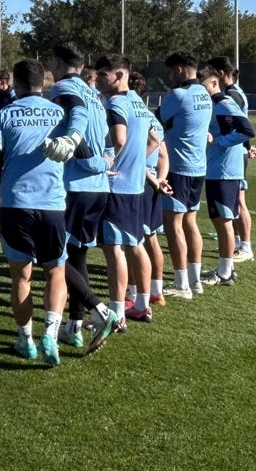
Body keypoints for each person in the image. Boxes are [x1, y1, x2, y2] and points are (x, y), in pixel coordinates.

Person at [0, 59, 118, 366]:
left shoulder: (4, 115)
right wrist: (106, 167)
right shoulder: (61, 114)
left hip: (15, 207)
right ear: (46, 81)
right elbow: (83, 153)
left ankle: (25, 340)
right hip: (53, 206)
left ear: (16, 82)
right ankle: (51, 335)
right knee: (55, 272)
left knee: (21, 278)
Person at [45, 42, 112, 341]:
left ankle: (100, 311)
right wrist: (106, 159)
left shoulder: (62, 88)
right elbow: (109, 136)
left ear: (59, 63)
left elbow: (77, 120)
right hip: (99, 189)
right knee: (78, 256)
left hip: (76, 185)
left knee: (55, 257)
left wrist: (92, 161)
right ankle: (74, 328)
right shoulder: (94, 93)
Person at [94, 54, 156, 325]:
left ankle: (117, 311)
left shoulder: (117, 102)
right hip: (135, 186)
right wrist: (137, 162)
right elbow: (156, 138)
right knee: (136, 245)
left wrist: (108, 161)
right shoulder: (139, 104)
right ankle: (142, 305)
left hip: (116, 186)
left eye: (103, 74)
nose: (98, 79)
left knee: (114, 250)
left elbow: (118, 139)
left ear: (119, 75)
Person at [157, 51, 212, 299]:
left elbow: (155, 120)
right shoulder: (204, 93)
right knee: (190, 222)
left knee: (173, 225)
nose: (169, 77)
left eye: (170, 72)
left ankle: (181, 285)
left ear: (178, 70)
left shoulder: (179, 95)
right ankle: (195, 280)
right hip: (199, 166)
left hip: (178, 167)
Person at [198, 64, 256, 286]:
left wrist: (220, 141)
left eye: (204, 87)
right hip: (217, 170)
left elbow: (247, 130)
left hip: (223, 172)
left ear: (214, 82)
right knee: (222, 220)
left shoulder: (223, 104)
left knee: (223, 221)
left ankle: (224, 273)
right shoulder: (215, 105)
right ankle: (227, 268)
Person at [208, 57, 256, 262]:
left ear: (219, 74)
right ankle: (238, 243)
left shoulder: (230, 96)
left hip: (231, 158)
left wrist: (228, 142)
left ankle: (245, 246)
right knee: (235, 204)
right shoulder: (235, 93)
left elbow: (240, 127)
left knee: (239, 202)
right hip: (235, 153)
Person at [129, 70, 172, 306]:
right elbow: (163, 154)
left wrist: (153, 180)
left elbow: (133, 157)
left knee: (133, 243)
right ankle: (157, 291)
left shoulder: (130, 116)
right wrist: (161, 180)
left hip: (139, 184)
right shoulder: (151, 117)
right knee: (152, 239)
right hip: (154, 184)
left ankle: (134, 293)